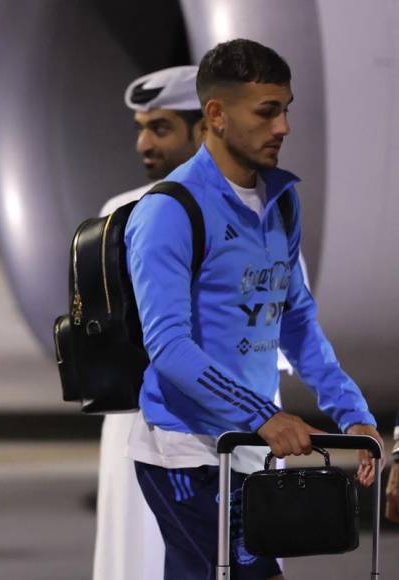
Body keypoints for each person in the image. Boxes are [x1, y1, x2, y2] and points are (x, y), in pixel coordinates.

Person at [125, 39, 382, 580]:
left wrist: (351, 410)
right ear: (215, 115)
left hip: (248, 447)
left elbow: (296, 321)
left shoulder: (281, 198)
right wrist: (262, 413)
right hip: (187, 450)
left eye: (285, 109)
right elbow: (169, 348)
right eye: (267, 111)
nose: (283, 127)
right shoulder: (169, 211)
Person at [93, 65, 205, 580]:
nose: (143, 142)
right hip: (134, 425)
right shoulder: (117, 213)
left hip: (218, 433)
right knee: (135, 559)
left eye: (160, 128)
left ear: (205, 127)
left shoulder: (257, 210)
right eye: (141, 127)